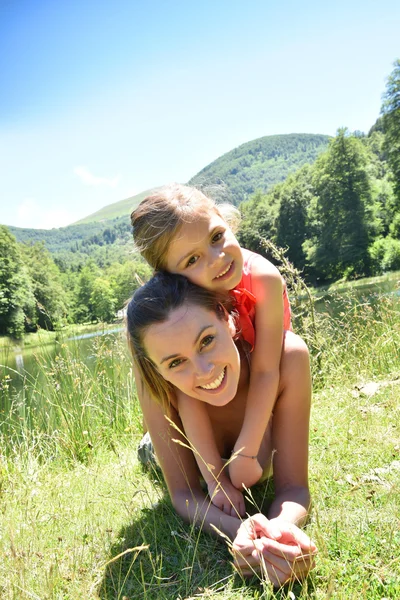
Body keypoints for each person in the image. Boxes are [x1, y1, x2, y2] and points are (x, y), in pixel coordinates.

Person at [127, 271, 317, 586]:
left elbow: (295, 487)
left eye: (207, 340)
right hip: (158, 448)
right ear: (157, 370)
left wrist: (280, 529)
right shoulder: (159, 388)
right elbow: (184, 493)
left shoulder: (288, 358)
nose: (203, 371)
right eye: (175, 363)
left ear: (224, 316)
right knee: (149, 453)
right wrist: (238, 530)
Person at [130, 183, 302, 516]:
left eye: (216, 237)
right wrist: (213, 477)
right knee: (190, 371)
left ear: (224, 219)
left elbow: (268, 370)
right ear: (168, 276)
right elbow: (186, 393)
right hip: (199, 414)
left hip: (251, 398)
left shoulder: (262, 278)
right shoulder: (173, 315)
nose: (217, 258)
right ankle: (151, 447)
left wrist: (247, 452)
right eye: (193, 259)